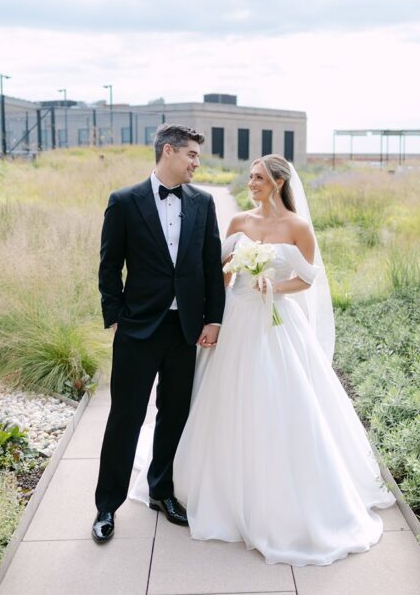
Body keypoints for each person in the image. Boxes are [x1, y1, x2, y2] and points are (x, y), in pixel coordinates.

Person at [129, 154, 396, 566]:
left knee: (278, 398)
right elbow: (217, 271)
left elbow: (307, 279)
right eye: (250, 177)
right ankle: (199, 484)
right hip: (235, 317)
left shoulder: (297, 227)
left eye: (257, 178)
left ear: (276, 181)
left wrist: (274, 287)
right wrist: (212, 316)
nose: (250, 183)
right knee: (222, 398)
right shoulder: (239, 223)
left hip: (275, 322)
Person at [92, 124, 225, 543]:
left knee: (175, 414)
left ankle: (161, 491)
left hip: (184, 328)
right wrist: (115, 314)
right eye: (191, 155)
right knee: (126, 416)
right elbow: (109, 264)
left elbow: (209, 268)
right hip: (138, 328)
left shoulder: (203, 203)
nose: (196, 164)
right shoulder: (124, 201)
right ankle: (106, 506)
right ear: (168, 152)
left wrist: (213, 319)